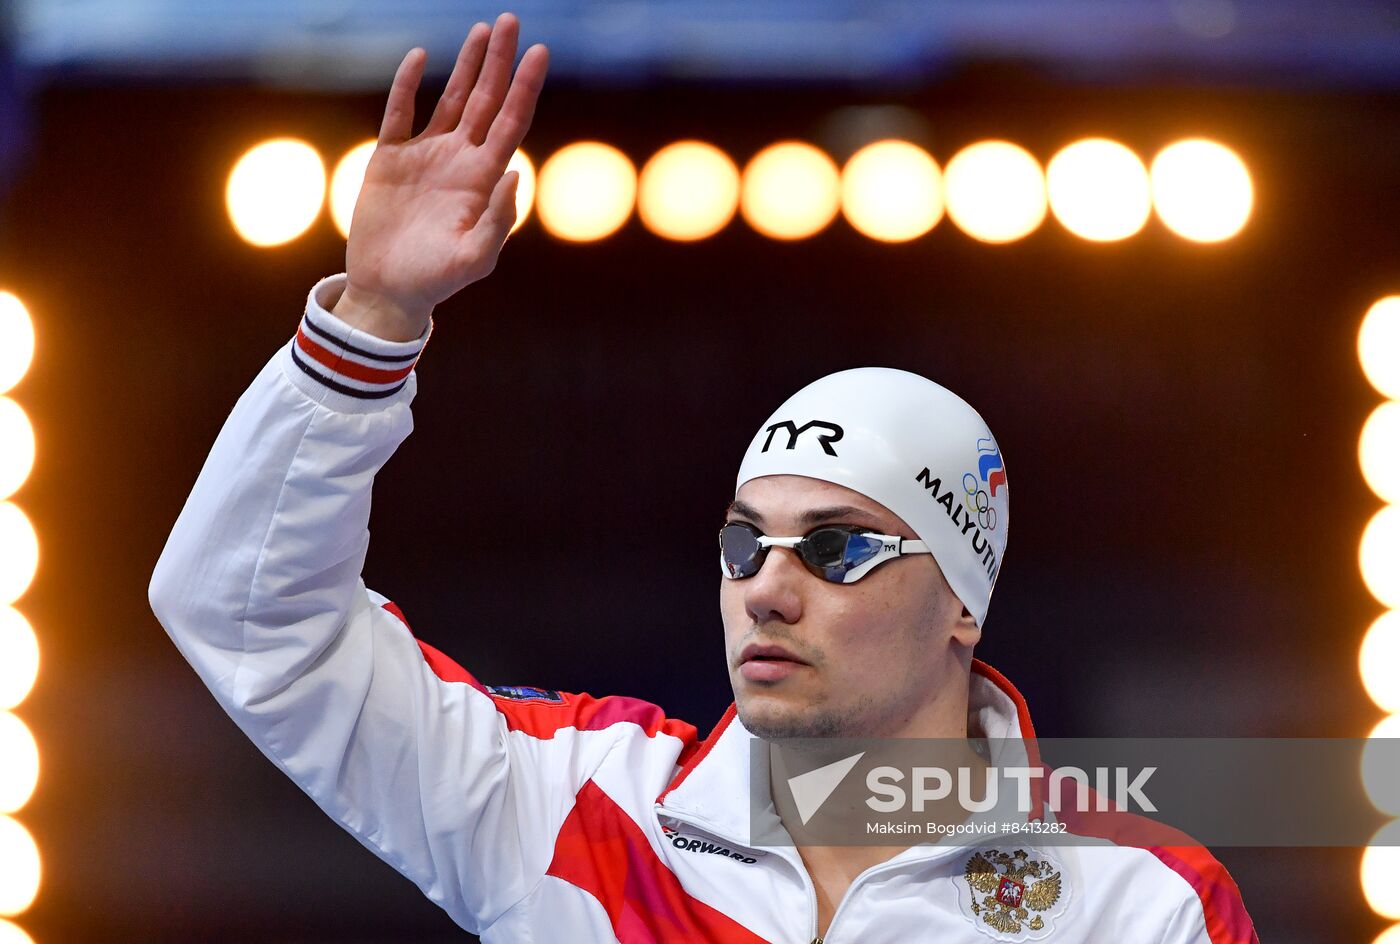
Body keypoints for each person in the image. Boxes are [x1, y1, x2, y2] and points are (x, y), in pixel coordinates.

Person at [148, 12, 1257, 942]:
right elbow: (249, 621)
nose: (768, 587)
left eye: (836, 547)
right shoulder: (572, 803)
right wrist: (375, 320)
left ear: (963, 595)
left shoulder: (1136, 896)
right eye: (745, 541)